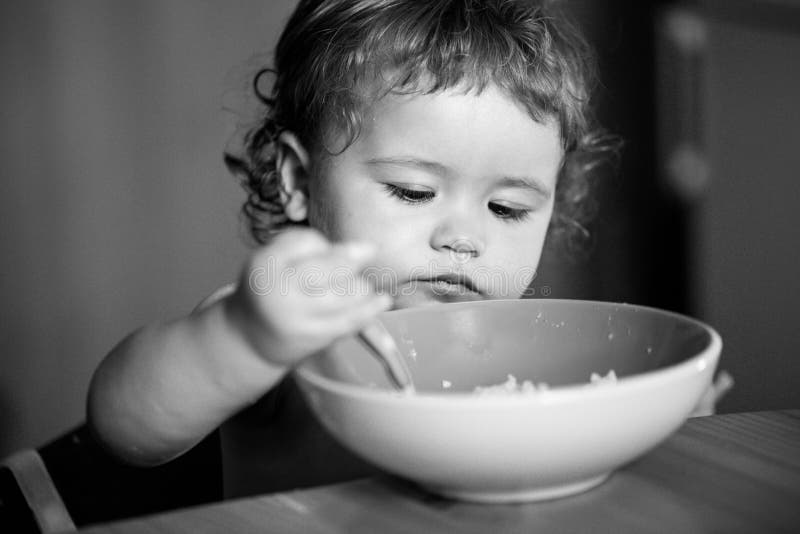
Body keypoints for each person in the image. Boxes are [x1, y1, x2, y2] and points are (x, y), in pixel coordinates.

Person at [85, 0, 675, 499]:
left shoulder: (535, 354)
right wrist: (242, 337)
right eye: (413, 192)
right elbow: (120, 426)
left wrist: (651, 418)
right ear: (297, 179)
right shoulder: (287, 329)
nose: (464, 238)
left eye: (508, 209)